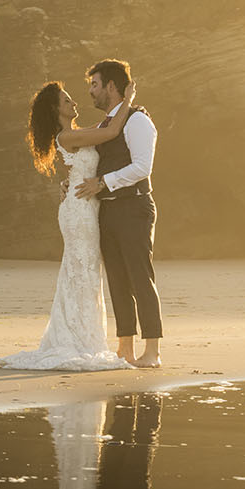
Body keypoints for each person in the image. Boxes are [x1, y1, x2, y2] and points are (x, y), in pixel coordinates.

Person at [0, 81, 137, 371]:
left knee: (83, 271)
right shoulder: (67, 136)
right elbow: (110, 131)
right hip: (78, 210)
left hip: (83, 204)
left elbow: (101, 134)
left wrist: (67, 182)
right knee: (81, 270)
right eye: (66, 100)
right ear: (55, 109)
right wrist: (129, 101)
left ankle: (82, 336)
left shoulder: (78, 133)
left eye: (71, 98)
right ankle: (79, 340)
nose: (73, 102)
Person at [73, 59, 162, 368]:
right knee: (117, 280)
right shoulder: (106, 126)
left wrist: (103, 183)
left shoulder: (137, 120)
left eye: (94, 85)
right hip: (107, 210)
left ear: (111, 87)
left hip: (134, 206)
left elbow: (142, 168)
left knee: (140, 277)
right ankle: (125, 348)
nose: (91, 92)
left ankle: (152, 351)